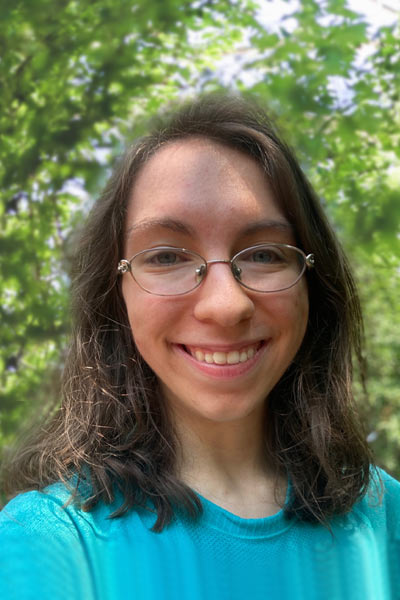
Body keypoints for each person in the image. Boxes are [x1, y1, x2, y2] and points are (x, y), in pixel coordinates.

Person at [0, 94, 399, 600]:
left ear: (312, 286)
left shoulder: (386, 519)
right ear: (114, 294)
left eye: (262, 254)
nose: (225, 305)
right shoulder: (49, 545)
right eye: (166, 255)